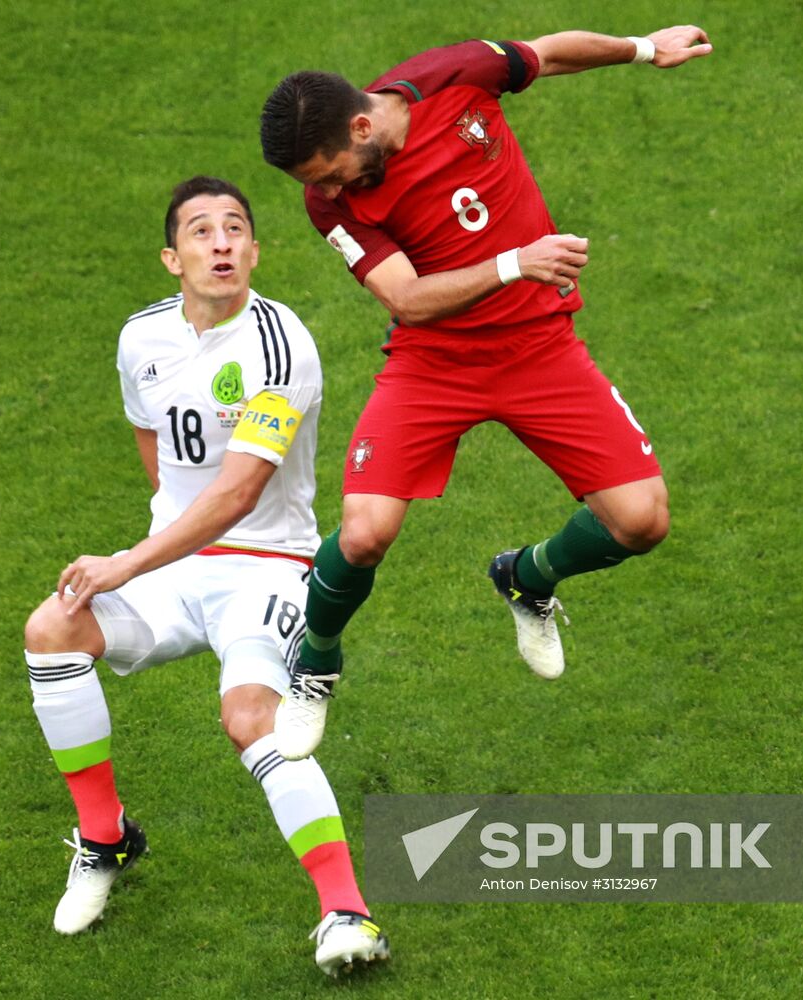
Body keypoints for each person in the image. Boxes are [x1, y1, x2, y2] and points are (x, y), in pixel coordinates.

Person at [259, 26, 713, 757]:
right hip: (432, 364)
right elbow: (405, 301)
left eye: (334, 171)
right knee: (366, 532)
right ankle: (314, 658)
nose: (328, 191)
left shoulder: (453, 77)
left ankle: (525, 577)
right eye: (316, 183)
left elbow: (548, 53)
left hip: (539, 349)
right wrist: (513, 263)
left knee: (641, 521)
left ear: (361, 124)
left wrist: (639, 48)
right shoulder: (330, 203)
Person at [21, 176, 388, 977]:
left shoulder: (280, 343)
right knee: (52, 629)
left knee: (251, 717)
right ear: (171, 257)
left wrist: (124, 562)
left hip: (270, 569)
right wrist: (152, 553)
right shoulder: (140, 338)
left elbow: (235, 496)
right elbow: (160, 466)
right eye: (200, 231)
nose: (219, 243)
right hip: (174, 565)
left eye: (234, 230)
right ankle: (104, 837)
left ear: (255, 252)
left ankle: (346, 912)